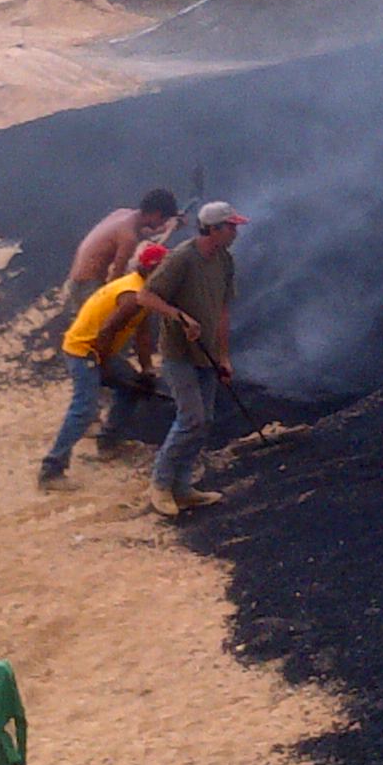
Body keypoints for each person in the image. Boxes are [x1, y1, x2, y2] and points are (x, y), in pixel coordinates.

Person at [140, 199, 246, 518]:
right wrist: (178, 316)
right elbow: (145, 295)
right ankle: (160, 485)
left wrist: (224, 355)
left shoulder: (225, 261)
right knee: (191, 419)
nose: (235, 232)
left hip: (207, 353)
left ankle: (183, 488)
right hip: (179, 353)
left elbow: (223, 310)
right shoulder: (183, 258)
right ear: (213, 229)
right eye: (231, 227)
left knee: (205, 420)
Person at [39, 241, 173, 487]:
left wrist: (146, 371)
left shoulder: (144, 290)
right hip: (84, 350)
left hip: (99, 349)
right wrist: (105, 368)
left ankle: (108, 442)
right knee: (84, 410)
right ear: (155, 271)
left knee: (130, 388)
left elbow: (142, 334)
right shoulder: (133, 296)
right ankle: (51, 470)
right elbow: (107, 329)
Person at [64, 187, 180, 314]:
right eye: (163, 219)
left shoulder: (123, 214)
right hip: (87, 287)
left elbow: (141, 233)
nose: (163, 223)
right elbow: (115, 279)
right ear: (157, 214)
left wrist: (166, 229)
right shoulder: (128, 238)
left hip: (75, 280)